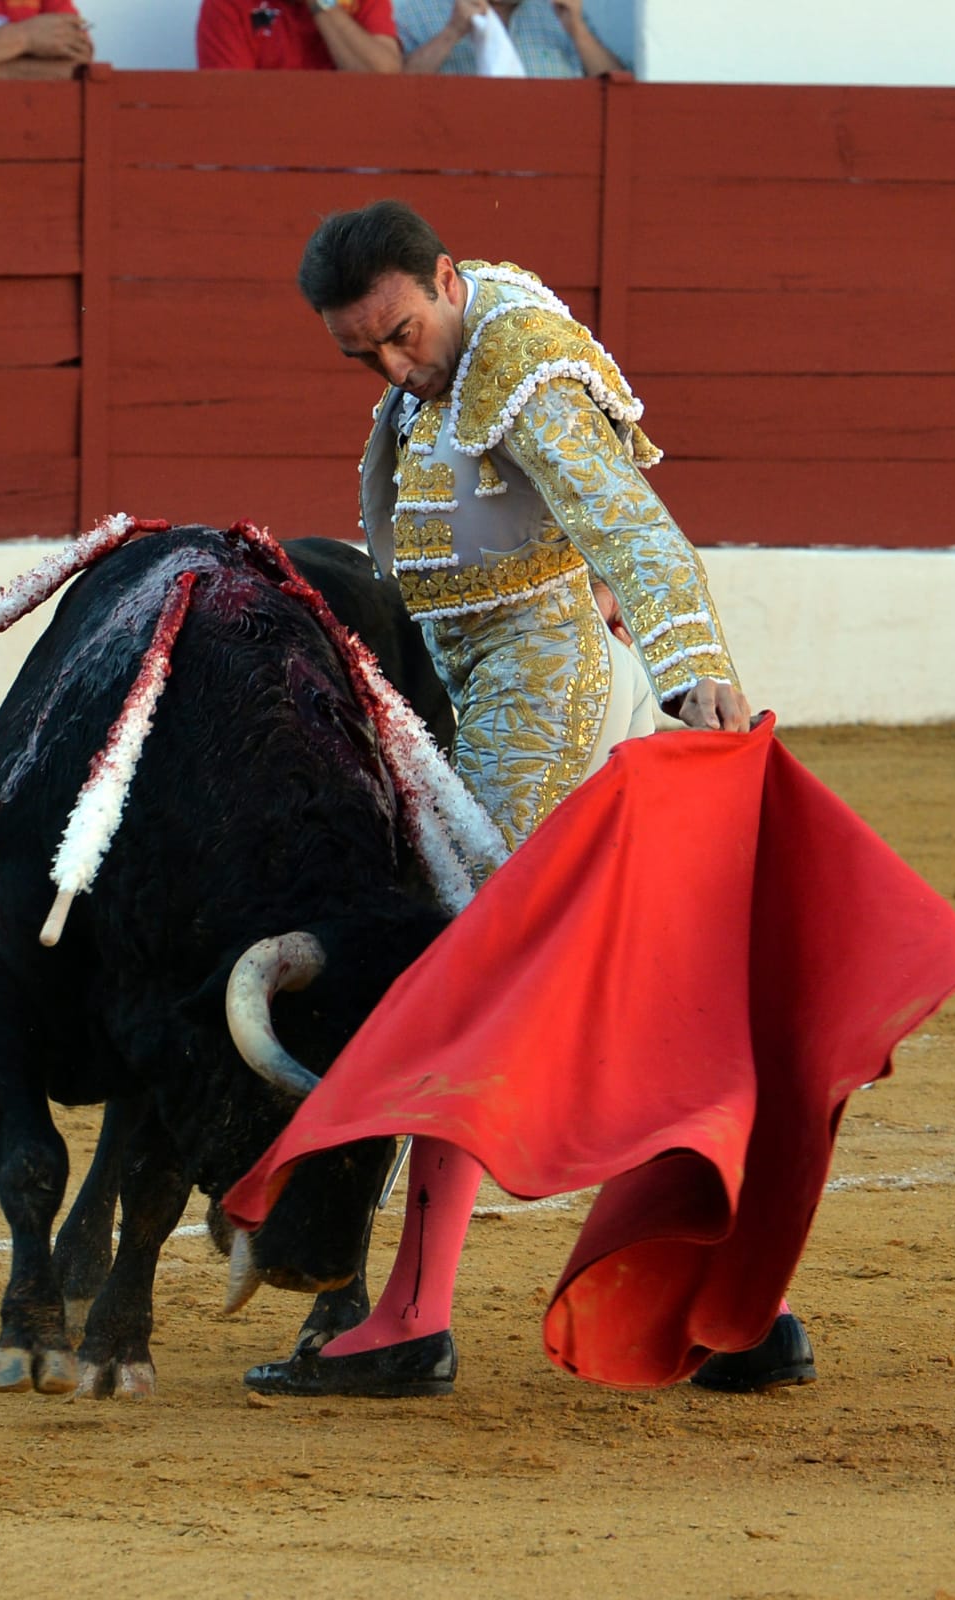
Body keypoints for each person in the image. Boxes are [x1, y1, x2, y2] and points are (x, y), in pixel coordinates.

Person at [238, 199, 814, 1398]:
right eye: (362, 353)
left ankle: (411, 1318)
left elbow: (627, 522)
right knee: (594, 998)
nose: (393, 368)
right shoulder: (454, 351)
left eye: (401, 335)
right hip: (481, 691)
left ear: (445, 280)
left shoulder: (516, 364)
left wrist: (692, 665)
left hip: (539, 693)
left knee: (470, 982)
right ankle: (732, 1308)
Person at [397, 0, 625, 76]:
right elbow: (393, 91)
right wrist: (451, 33)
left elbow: (622, 92)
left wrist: (579, 32)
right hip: (455, 161)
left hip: (552, 161)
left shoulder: (558, 12)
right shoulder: (417, 13)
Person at [196, 0, 403, 73]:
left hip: (351, 140)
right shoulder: (227, 5)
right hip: (270, 145)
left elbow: (383, 79)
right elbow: (230, 107)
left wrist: (320, 3)